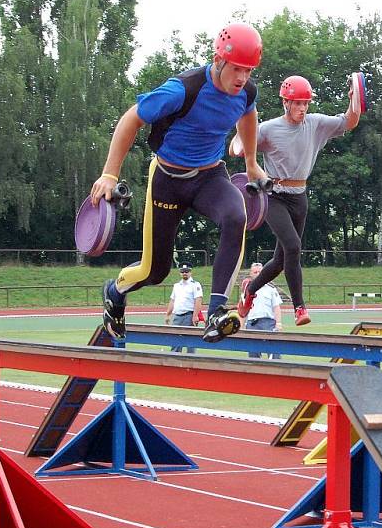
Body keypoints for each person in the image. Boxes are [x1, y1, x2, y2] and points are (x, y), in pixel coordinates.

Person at [92, 23, 266, 343]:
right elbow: (131, 118)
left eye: (248, 70)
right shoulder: (183, 89)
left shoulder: (246, 93)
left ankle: (215, 313)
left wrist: (252, 163)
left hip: (209, 177)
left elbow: (248, 116)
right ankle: (115, 292)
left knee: (235, 215)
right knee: (154, 272)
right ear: (219, 60)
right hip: (168, 180)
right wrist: (109, 174)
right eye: (237, 69)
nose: (242, 78)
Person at [236, 75, 361, 326]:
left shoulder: (316, 124)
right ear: (285, 102)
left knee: (282, 260)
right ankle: (299, 307)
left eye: (305, 103)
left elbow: (350, 121)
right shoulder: (269, 129)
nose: (302, 108)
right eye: (297, 103)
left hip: (299, 197)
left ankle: (250, 289)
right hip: (273, 195)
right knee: (293, 247)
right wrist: (240, 140)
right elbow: (239, 145)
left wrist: (354, 99)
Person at [242, 262, 282, 359]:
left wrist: (279, 323)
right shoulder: (246, 291)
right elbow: (243, 309)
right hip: (252, 324)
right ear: (251, 274)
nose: (258, 274)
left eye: (260, 272)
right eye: (255, 272)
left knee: (273, 351)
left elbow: (276, 307)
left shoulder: (271, 289)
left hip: (268, 323)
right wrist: (242, 325)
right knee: (253, 353)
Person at [164, 263, 203, 353]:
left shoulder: (195, 285)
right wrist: (168, 315)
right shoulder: (176, 286)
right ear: (180, 273)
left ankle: (191, 363)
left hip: (189, 316)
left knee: (190, 342)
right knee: (175, 342)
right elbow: (172, 300)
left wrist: (195, 316)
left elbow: (198, 300)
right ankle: (174, 362)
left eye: (186, 271)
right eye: (182, 271)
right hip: (177, 316)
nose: (184, 273)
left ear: (190, 272)